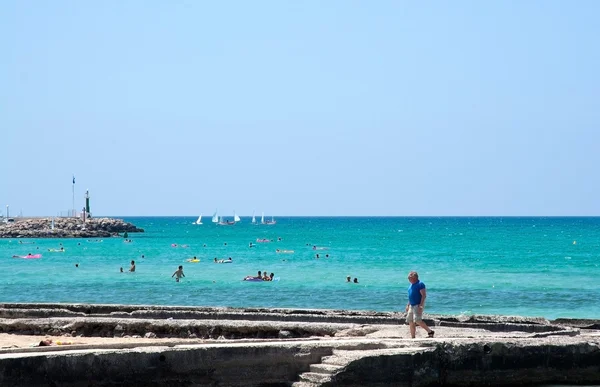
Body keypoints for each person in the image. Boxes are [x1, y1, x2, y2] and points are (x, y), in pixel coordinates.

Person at [405, 271, 434, 339]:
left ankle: (430, 331)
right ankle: (413, 337)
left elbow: (423, 295)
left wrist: (421, 305)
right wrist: (408, 304)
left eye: (410, 278)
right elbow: (411, 296)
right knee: (410, 321)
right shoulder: (411, 285)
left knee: (418, 320)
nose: (409, 279)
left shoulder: (420, 284)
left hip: (417, 305)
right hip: (411, 305)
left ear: (414, 277)